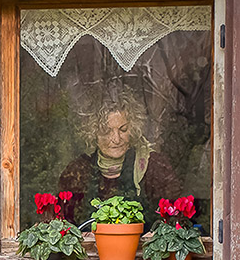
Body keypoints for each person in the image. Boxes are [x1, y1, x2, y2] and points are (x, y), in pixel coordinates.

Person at [58, 90, 182, 228]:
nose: (116, 139)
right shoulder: (77, 171)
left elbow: (175, 219)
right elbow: (65, 223)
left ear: (133, 129)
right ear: (93, 133)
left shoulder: (154, 166)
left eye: (123, 130)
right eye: (106, 131)